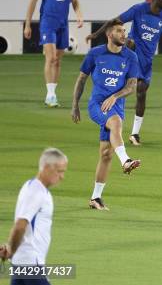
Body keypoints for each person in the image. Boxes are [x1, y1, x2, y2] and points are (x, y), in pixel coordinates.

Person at [86, 0, 162, 146]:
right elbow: (115, 21)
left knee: (141, 94)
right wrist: (96, 34)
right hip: (131, 57)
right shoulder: (139, 9)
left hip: (147, 61)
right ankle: (108, 123)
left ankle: (135, 134)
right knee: (118, 86)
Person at [74, 19, 141, 211]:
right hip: (97, 105)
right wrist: (75, 105)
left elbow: (132, 86)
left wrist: (115, 96)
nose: (124, 34)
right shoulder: (95, 54)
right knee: (115, 122)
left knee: (105, 154)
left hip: (116, 105)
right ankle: (126, 160)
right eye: (119, 31)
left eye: (124, 30)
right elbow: (81, 79)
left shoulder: (131, 57)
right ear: (109, 34)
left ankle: (95, 198)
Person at [23, 0, 83, 107]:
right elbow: (33, 1)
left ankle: (53, 92)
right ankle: (50, 95)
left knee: (58, 61)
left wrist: (79, 15)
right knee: (51, 58)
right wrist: (27, 24)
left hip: (63, 24)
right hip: (47, 23)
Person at [0, 148, 68, 285]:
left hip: (21, 265)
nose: (62, 176)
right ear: (47, 168)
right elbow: (20, 226)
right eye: (59, 171)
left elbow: (23, 228)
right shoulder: (37, 191)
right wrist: (11, 250)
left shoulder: (30, 186)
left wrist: (10, 248)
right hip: (31, 264)